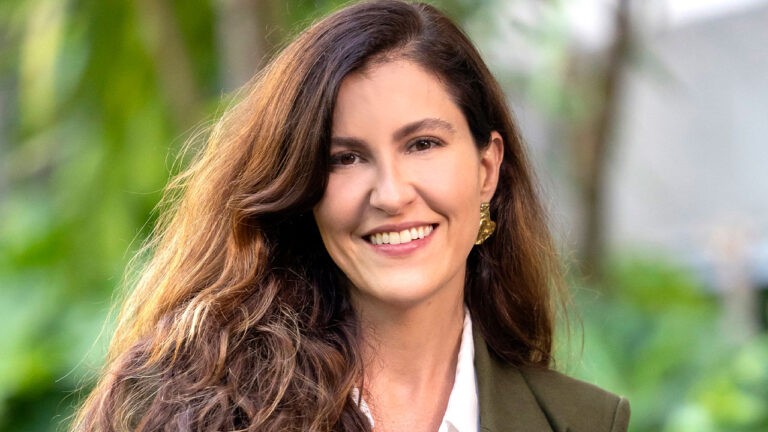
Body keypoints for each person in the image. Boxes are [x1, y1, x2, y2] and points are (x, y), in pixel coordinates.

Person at [71, 1, 630, 431]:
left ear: (487, 169)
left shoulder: (580, 421)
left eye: (423, 144)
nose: (390, 194)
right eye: (345, 158)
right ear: (303, 188)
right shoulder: (196, 406)